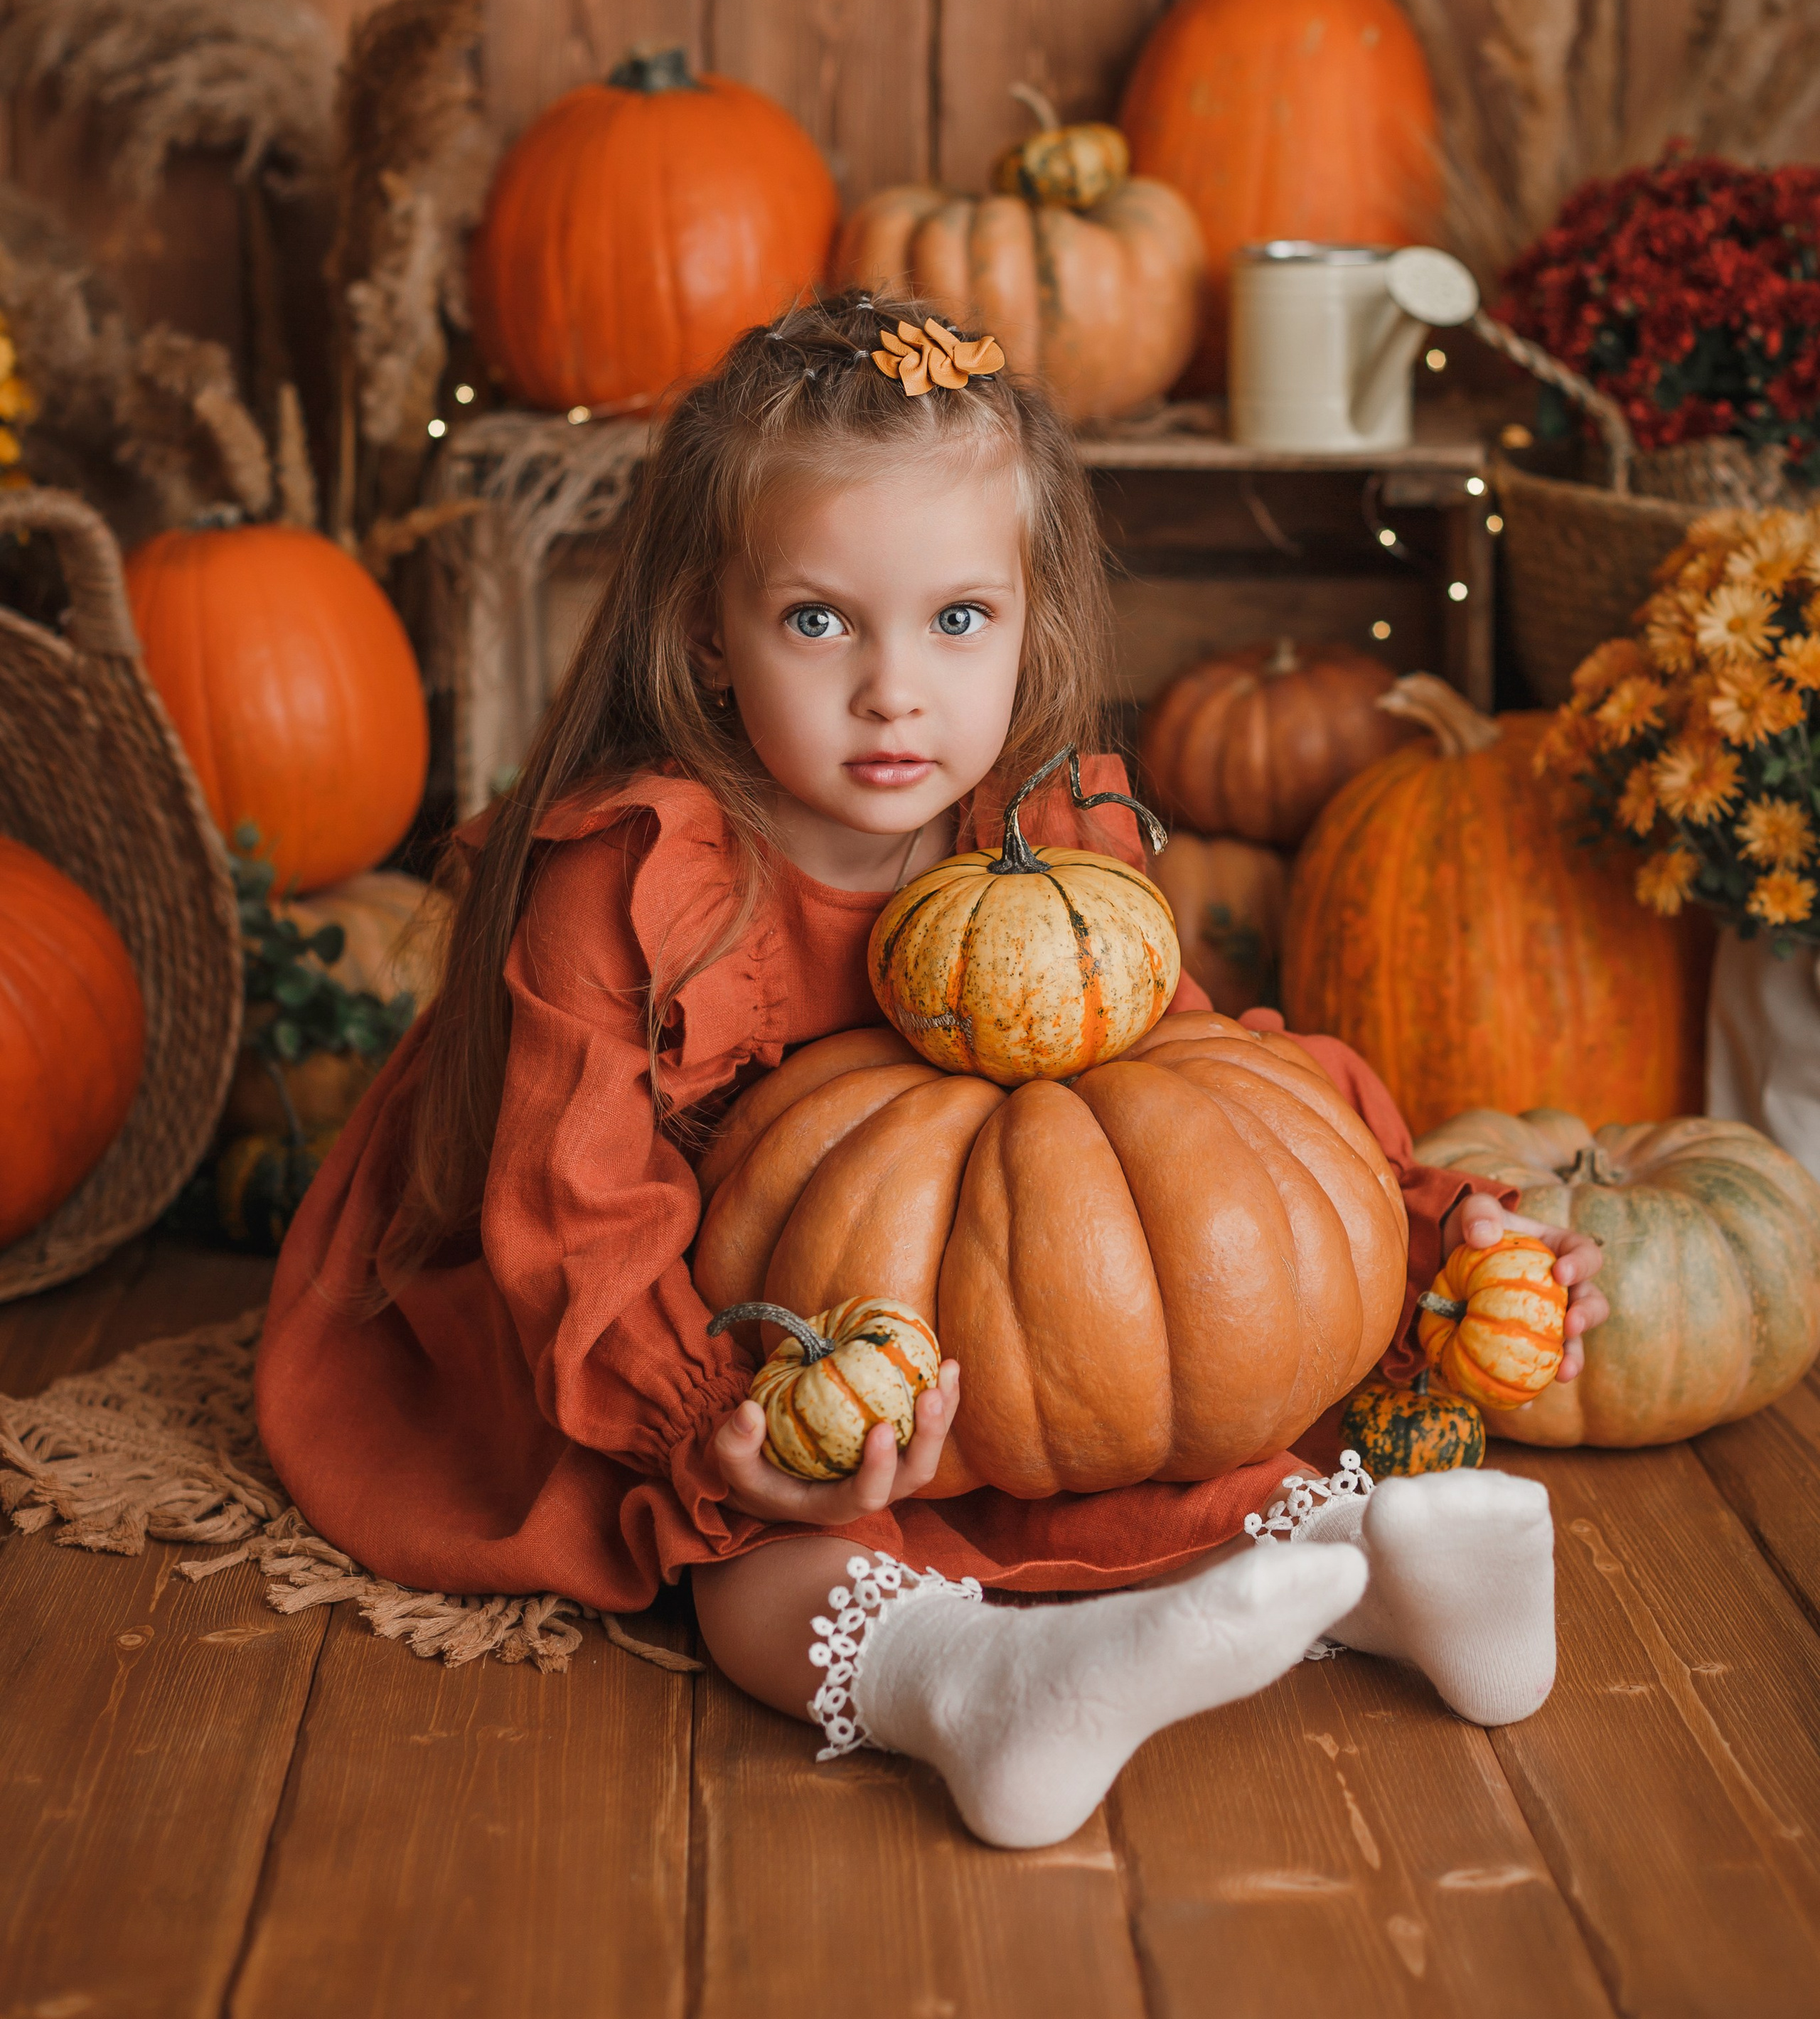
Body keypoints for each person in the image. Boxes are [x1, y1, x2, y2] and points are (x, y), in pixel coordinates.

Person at [257, 291, 1607, 1852]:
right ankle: (965, 1684)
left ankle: (1384, 1569)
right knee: (747, 1552)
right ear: (709, 625)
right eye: (819, 619)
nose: (894, 689)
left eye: (956, 619)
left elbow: (1205, 1096)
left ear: (1026, 617)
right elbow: (570, 1211)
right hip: (634, 1322)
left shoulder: (1044, 836)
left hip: (930, 1318)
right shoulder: (635, 880)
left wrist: (1439, 1223)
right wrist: (719, 1423)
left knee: (1162, 1399)